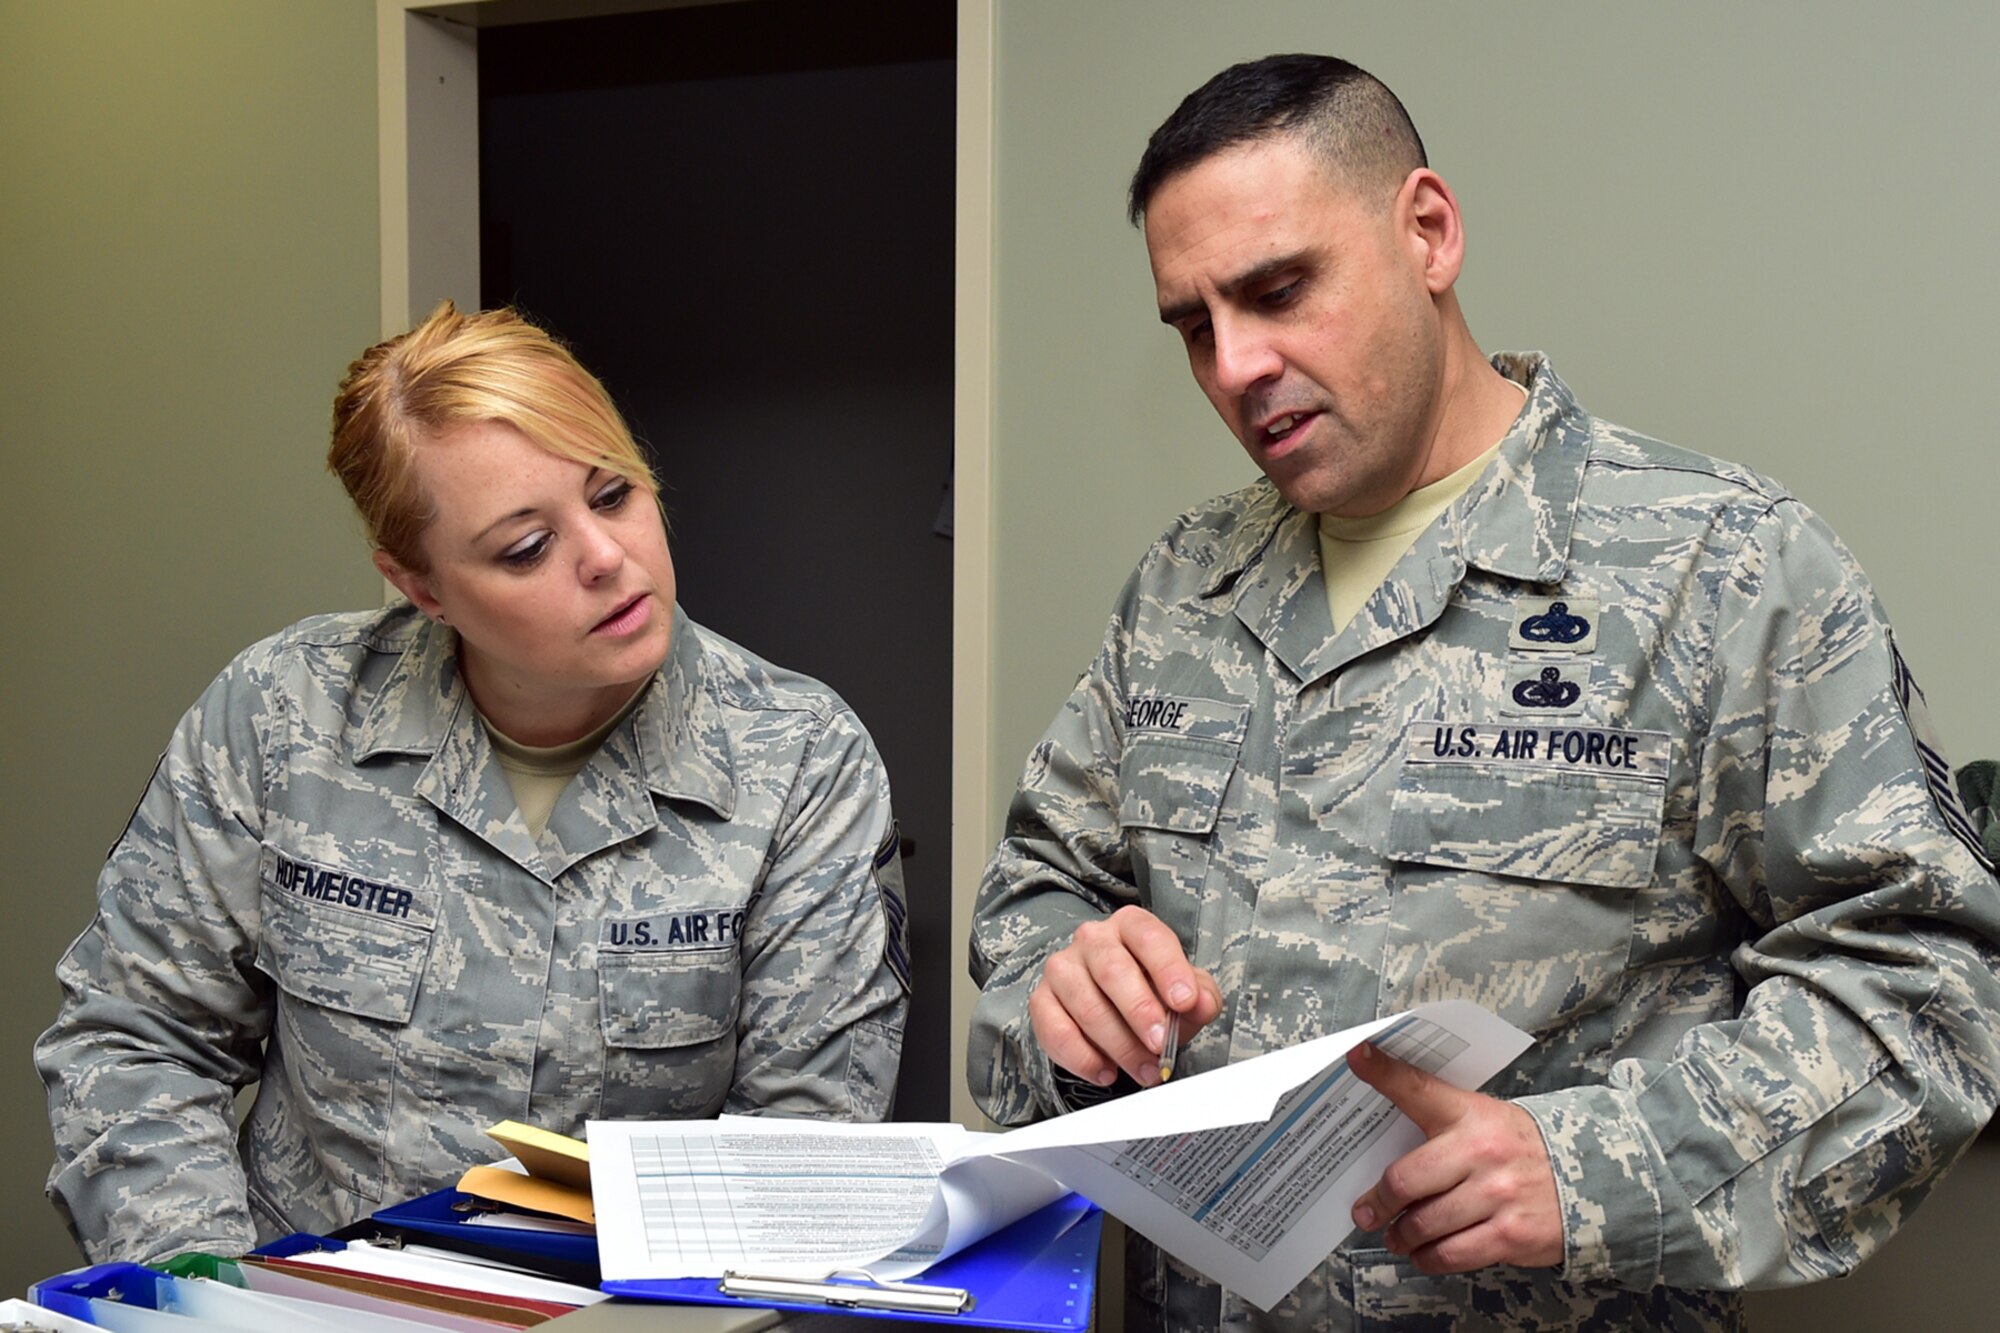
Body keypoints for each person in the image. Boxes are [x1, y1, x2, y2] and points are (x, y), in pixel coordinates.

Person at [966, 54, 2000, 1331]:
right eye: (1191, 325)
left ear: (1427, 232)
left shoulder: (1721, 569)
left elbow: (1926, 994)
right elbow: (1033, 903)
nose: (1234, 363)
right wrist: (1063, 992)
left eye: (1278, 289)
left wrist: (1592, 1169)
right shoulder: (1184, 586)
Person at [38, 302, 912, 1265]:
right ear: (422, 587)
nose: (606, 558)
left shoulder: (798, 761)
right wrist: (211, 1296)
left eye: (614, 492)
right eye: (527, 547)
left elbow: (799, 1164)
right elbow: (137, 1040)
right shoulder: (282, 715)